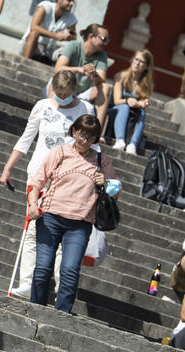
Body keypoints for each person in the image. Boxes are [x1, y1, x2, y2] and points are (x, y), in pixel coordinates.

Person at [0, 70, 96, 298]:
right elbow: (27, 137)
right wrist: (8, 167)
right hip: (39, 172)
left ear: (74, 91)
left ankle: (60, 284)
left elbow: (94, 143)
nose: (61, 97)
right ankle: (27, 281)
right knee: (33, 227)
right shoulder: (42, 106)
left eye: (66, 93)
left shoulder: (85, 109)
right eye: (58, 92)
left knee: (64, 229)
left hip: (70, 177)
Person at [27, 114, 118, 313]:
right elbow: (37, 181)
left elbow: (115, 194)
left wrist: (107, 184)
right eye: (81, 134)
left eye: (90, 137)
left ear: (95, 139)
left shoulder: (103, 161)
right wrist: (33, 204)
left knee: (69, 271)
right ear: (74, 131)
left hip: (80, 223)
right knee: (42, 268)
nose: (84, 140)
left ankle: (62, 314)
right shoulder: (59, 152)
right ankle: (35, 309)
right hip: (50, 216)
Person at [52, 24, 111, 135]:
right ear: (90, 36)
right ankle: (49, 117)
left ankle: (97, 133)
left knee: (105, 87)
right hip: (65, 89)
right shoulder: (74, 46)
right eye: (104, 39)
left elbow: (101, 80)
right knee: (54, 79)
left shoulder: (102, 55)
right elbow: (57, 68)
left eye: (108, 40)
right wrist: (79, 69)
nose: (106, 43)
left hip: (83, 94)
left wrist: (94, 75)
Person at [107, 49, 153, 154]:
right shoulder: (121, 76)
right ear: (132, 60)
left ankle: (133, 144)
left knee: (141, 112)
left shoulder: (146, 85)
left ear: (146, 67)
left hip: (130, 119)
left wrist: (143, 103)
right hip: (114, 112)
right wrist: (128, 101)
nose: (137, 63)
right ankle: (120, 140)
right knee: (124, 107)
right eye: (136, 59)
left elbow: (143, 103)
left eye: (141, 62)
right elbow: (116, 101)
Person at [20, 0, 78, 64]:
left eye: (72, 1)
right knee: (34, 33)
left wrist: (67, 36)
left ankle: (60, 72)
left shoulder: (71, 17)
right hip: (32, 44)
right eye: (69, 0)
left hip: (49, 50)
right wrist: (55, 35)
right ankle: (23, 64)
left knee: (70, 49)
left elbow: (74, 37)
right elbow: (33, 27)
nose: (72, 4)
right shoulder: (45, 6)